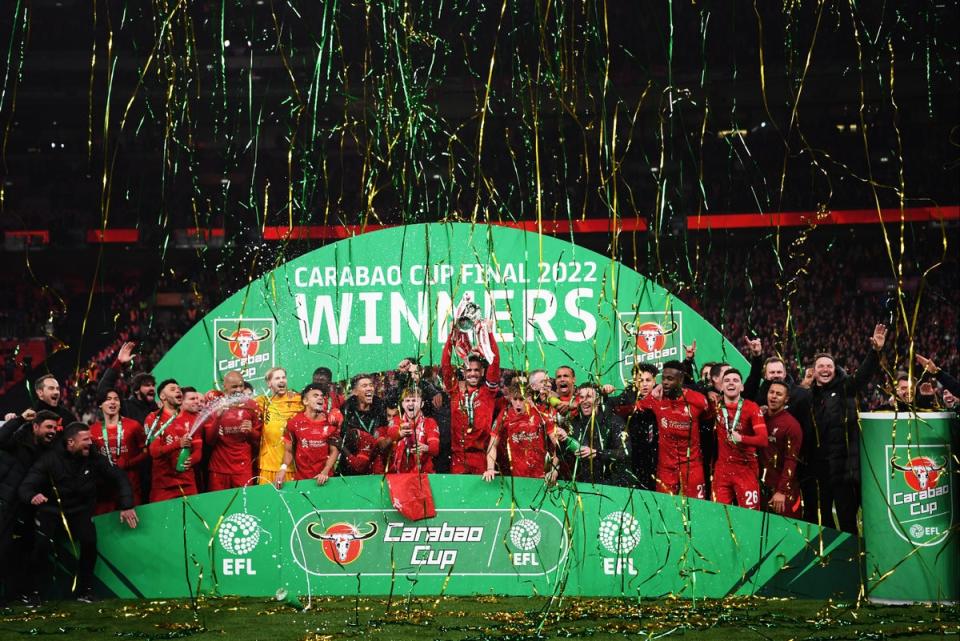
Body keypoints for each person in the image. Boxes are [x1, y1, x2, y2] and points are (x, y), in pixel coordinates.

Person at [19, 422, 138, 602]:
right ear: (71, 442)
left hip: (80, 510)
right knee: (41, 545)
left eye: (90, 438)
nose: (90, 442)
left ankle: (85, 590)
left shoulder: (94, 457)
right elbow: (26, 485)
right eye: (85, 439)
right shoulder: (49, 459)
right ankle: (32, 591)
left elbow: (119, 476)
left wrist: (127, 504)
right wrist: (32, 496)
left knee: (89, 542)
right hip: (51, 511)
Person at [800, 323, 886, 533]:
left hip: (845, 470)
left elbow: (863, 376)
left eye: (829, 366)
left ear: (834, 368)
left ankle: (856, 560)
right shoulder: (809, 397)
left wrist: (874, 352)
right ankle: (835, 559)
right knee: (824, 519)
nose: (825, 369)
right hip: (821, 470)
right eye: (821, 366)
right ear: (814, 370)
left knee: (848, 520)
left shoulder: (845, 387)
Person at [0, 410, 58, 604]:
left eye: (55, 428)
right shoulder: (18, 439)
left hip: (26, 505)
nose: (53, 431)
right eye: (48, 427)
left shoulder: (47, 449)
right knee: (5, 548)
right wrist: (19, 419)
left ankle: (17, 593)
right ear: (35, 427)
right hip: (5, 500)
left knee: (22, 550)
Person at [635, 360, 713, 499]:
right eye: (663, 378)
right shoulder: (656, 398)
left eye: (670, 379)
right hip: (666, 468)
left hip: (692, 466)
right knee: (666, 509)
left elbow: (709, 418)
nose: (665, 382)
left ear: (681, 379)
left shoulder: (698, 400)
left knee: (696, 509)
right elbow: (631, 408)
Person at [442, 321, 501, 474]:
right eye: (469, 370)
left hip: (480, 457)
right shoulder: (455, 392)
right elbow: (446, 367)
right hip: (457, 458)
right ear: (463, 372)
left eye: (476, 370)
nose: (473, 373)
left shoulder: (488, 392)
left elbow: (494, 363)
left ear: (482, 372)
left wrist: (489, 333)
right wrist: (451, 338)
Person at [711, 369, 768, 509]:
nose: (731, 383)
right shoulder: (715, 405)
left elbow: (763, 440)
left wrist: (741, 438)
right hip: (722, 470)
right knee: (719, 515)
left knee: (751, 516)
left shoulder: (752, 407)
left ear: (742, 387)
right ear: (721, 386)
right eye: (727, 381)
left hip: (746, 469)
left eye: (735, 380)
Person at [484, 383, 557, 482]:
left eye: (522, 399)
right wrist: (490, 468)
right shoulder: (505, 415)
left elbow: (558, 445)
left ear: (529, 398)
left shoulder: (541, 413)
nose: (518, 403)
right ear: (510, 398)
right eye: (515, 399)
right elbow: (492, 445)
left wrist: (554, 470)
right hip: (518, 477)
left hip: (542, 477)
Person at [89, 390, 147, 513]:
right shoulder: (92, 431)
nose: (112, 402)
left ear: (120, 404)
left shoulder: (134, 425)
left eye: (116, 399)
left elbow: (146, 452)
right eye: (108, 399)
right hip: (106, 492)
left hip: (132, 487)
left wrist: (128, 463)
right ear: (100, 404)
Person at [561, 385, 630, 486]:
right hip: (583, 485)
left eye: (589, 396)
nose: (584, 400)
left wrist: (597, 453)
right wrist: (564, 440)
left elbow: (625, 452)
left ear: (597, 401)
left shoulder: (614, 422)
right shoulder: (574, 423)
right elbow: (567, 456)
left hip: (610, 486)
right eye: (581, 397)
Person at [205, 371, 262, 491]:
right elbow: (209, 441)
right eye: (234, 387)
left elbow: (260, 439)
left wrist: (251, 431)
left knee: (244, 504)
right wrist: (218, 418)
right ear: (224, 386)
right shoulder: (215, 406)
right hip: (218, 468)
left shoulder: (252, 406)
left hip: (243, 467)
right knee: (220, 506)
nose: (239, 390)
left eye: (241, 386)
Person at [277, 383, 342, 486]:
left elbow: (334, 451)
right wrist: (283, 469)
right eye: (315, 396)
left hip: (325, 479)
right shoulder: (294, 423)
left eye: (321, 396)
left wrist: (325, 471)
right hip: (302, 480)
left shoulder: (330, 422)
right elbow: (288, 450)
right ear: (305, 401)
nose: (320, 398)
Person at [149, 387, 203, 502]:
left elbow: (198, 450)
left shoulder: (194, 419)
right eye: (172, 389)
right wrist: (178, 444)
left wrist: (191, 460)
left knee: (193, 518)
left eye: (178, 389)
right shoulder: (154, 418)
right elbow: (154, 452)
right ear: (163, 396)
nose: (177, 391)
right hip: (163, 483)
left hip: (188, 482)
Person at [612, 363, 659, 491]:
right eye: (640, 380)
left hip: (657, 458)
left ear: (655, 381)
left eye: (648, 380)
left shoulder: (662, 397)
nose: (644, 384)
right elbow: (611, 405)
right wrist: (603, 392)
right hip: (635, 458)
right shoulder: (627, 398)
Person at [760, 382, 803, 518]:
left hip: (781, 491)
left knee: (784, 532)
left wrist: (782, 491)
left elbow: (791, 460)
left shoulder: (791, 426)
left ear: (786, 399)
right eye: (771, 392)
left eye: (779, 394)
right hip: (760, 486)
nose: (773, 397)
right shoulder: (759, 417)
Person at [256, 367, 302, 485]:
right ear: (269, 383)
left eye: (283, 377)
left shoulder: (298, 400)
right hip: (267, 465)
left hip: (289, 466)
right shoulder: (262, 402)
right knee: (266, 500)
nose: (282, 380)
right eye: (277, 378)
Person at [96, 342, 158, 425]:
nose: (152, 388)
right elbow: (102, 390)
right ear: (136, 390)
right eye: (147, 385)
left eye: (153, 385)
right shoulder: (126, 407)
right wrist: (119, 362)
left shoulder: (157, 409)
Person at [338, 374, 389, 474]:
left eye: (371, 385)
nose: (369, 388)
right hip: (350, 466)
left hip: (374, 465)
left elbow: (383, 437)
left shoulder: (380, 408)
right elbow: (343, 439)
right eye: (364, 386)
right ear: (355, 392)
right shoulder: (346, 410)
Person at [385, 386, 440, 474]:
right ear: (402, 404)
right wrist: (399, 434)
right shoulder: (396, 420)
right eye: (407, 400)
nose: (410, 404)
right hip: (399, 476)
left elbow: (435, 449)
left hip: (423, 476)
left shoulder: (430, 422)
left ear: (422, 404)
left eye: (414, 400)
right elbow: (391, 434)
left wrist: (427, 448)